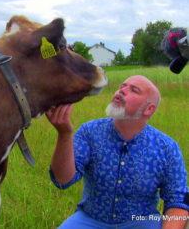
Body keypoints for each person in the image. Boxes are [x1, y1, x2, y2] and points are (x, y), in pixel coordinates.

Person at [46, 75, 189, 229]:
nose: (122, 91)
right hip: (90, 219)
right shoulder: (89, 132)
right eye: (122, 86)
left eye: (134, 90)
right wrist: (64, 134)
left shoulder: (167, 148)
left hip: (142, 221)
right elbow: (63, 180)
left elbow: (178, 200)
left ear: (149, 109)